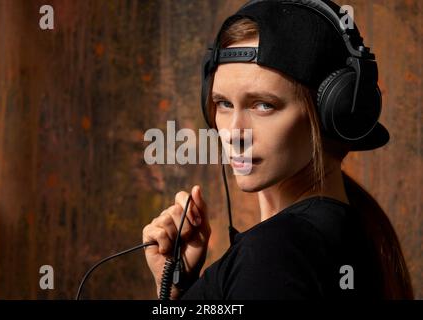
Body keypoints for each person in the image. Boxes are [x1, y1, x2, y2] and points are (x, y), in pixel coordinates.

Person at [142, 0, 414, 299]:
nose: (234, 133)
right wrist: (176, 292)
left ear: (333, 114)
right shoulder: (358, 234)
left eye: (263, 105)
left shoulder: (273, 252)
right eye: (223, 104)